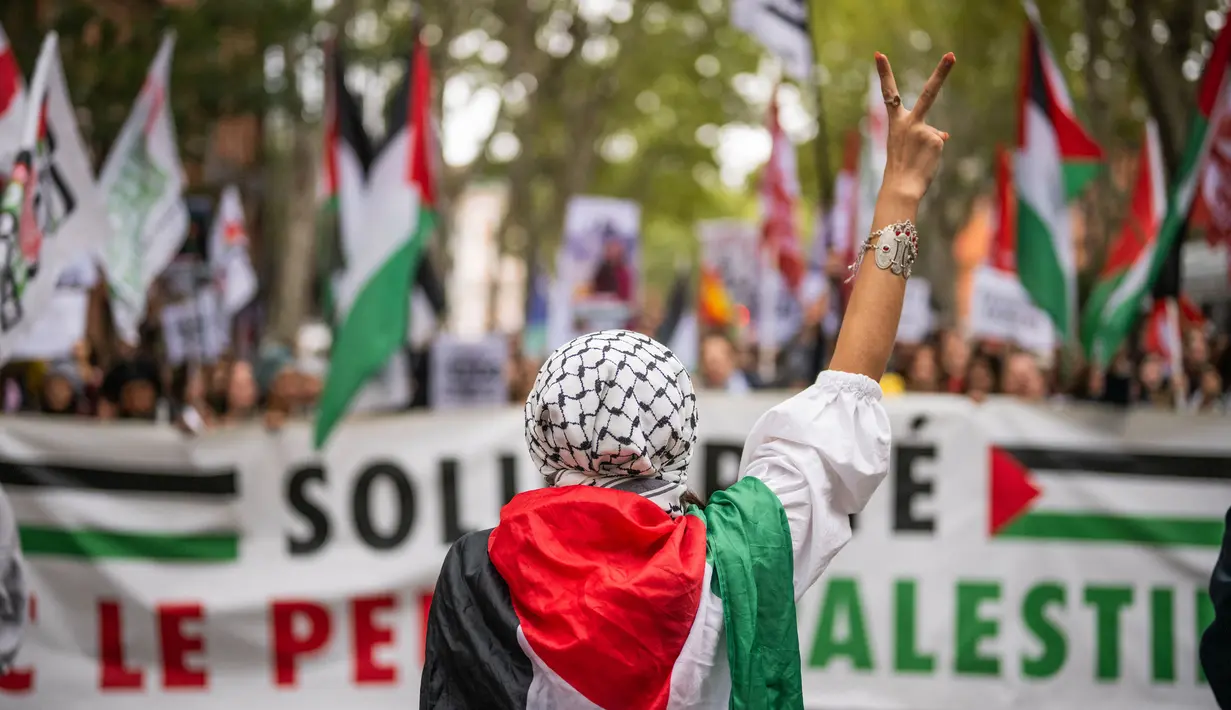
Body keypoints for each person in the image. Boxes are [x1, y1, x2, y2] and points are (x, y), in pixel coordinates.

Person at [421, 50, 954, 709]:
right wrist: (899, 193)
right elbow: (847, 393)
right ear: (677, 428)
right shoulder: (741, 552)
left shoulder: (477, 573)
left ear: (544, 426)